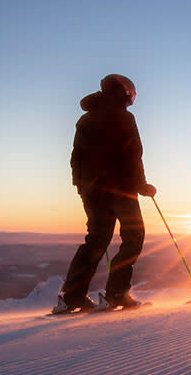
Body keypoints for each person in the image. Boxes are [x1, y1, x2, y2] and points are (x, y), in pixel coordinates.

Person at [53, 74, 158, 314]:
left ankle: (72, 297)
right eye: (130, 92)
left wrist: (82, 187)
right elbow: (132, 155)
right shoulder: (124, 117)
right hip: (121, 188)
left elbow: (75, 157)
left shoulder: (85, 119)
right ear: (123, 92)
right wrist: (141, 185)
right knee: (134, 237)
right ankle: (116, 293)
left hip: (91, 190)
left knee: (96, 240)